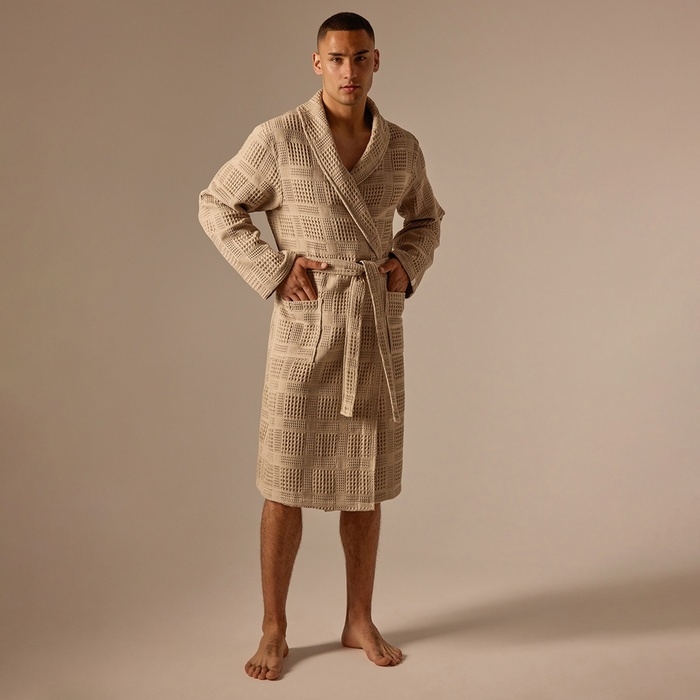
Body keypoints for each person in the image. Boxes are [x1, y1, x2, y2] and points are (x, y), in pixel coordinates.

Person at [198, 12, 443, 681]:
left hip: (373, 329)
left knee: (364, 484)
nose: (348, 71)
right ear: (317, 63)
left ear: (376, 62)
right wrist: (274, 269)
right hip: (306, 330)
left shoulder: (401, 147)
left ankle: (358, 618)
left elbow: (426, 217)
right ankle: (274, 626)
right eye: (336, 58)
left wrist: (407, 264)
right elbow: (217, 204)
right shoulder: (279, 137)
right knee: (284, 482)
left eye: (360, 58)